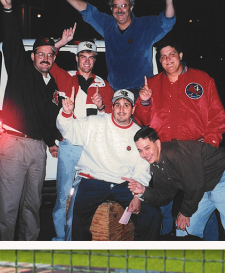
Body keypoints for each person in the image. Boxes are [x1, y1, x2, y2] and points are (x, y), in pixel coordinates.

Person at [0, 0, 66, 241]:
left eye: (50, 55)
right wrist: (9, 10)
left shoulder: (52, 84)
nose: (45, 58)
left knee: (32, 208)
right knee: (7, 208)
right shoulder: (21, 70)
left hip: (38, 150)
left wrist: (51, 142)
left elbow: (46, 118)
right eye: (40, 54)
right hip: (14, 145)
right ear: (32, 56)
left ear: (53, 58)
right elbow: (12, 40)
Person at [135, 43, 225, 239]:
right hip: (164, 157)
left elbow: (217, 117)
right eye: (163, 56)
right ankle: (165, 244)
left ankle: (210, 248)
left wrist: (208, 147)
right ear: (159, 61)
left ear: (181, 55)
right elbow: (142, 122)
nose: (167, 59)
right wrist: (143, 102)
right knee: (164, 205)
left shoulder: (202, 79)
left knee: (199, 202)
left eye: (172, 54)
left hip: (193, 155)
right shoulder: (151, 84)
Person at [57, 89, 160, 240]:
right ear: (112, 107)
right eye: (117, 104)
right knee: (76, 218)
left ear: (133, 109)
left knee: (152, 213)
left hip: (123, 183)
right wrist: (66, 113)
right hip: (91, 180)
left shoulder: (138, 134)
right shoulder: (95, 122)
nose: (121, 109)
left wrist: (137, 196)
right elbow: (69, 130)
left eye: (126, 105)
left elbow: (141, 169)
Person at [55, 0, 175, 95]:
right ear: (111, 9)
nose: (119, 9)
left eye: (124, 5)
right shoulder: (107, 25)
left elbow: (168, 21)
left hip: (142, 91)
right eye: (115, 6)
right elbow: (87, 11)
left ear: (131, 8)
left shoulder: (144, 26)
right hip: (115, 93)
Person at [129, 127, 225, 241]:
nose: (144, 154)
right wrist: (144, 191)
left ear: (158, 143)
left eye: (147, 148)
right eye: (140, 150)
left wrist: (185, 212)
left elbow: (194, 185)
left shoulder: (175, 153)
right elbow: (165, 196)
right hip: (202, 188)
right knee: (183, 230)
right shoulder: (156, 165)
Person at [51, 39, 114, 241]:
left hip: (92, 147)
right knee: (63, 195)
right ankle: (61, 238)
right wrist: (59, 44)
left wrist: (102, 105)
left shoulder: (103, 84)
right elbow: (49, 61)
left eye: (91, 57)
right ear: (77, 58)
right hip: (70, 145)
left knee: (82, 197)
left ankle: (76, 237)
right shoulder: (66, 77)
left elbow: (114, 117)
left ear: (95, 60)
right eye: (83, 56)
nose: (87, 61)